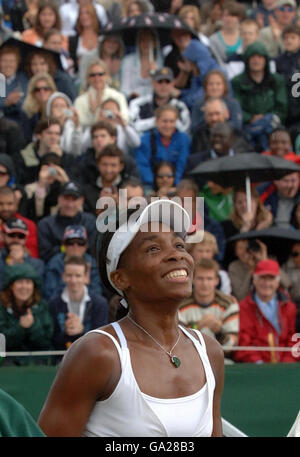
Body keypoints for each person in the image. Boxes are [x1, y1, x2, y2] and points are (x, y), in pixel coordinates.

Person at [38, 198, 224, 437]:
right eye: (153, 249)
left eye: (179, 245)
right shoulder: (97, 353)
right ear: (120, 279)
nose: (177, 256)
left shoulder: (210, 352)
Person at [235, 259, 297, 363]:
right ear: (254, 280)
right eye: (262, 278)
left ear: (278, 282)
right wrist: (260, 364)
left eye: (271, 279)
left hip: (286, 367)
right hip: (256, 368)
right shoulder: (243, 307)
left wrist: (287, 364)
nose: (267, 283)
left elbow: (295, 338)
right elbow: (244, 343)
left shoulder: (290, 307)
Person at [232, 41, 288, 151]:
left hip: (273, 126)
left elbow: (282, 108)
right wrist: (251, 118)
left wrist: (265, 119)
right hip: (247, 126)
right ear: (247, 60)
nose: (256, 60)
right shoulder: (237, 82)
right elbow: (236, 108)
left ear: (265, 60)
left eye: (260, 57)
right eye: (252, 57)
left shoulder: (277, 81)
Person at [179, 258, 238, 357]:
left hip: (220, 359)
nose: (205, 284)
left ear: (216, 281)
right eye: (200, 278)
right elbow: (178, 344)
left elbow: (230, 347)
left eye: (209, 279)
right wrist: (196, 329)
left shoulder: (229, 304)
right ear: (192, 279)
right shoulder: (180, 304)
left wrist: (219, 332)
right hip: (190, 359)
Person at [49, 256, 109, 351]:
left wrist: (82, 331)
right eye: (69, 275)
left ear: (86, 277)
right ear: (63, 276)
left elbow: (102, 340)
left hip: (91, 357)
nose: (73, 280)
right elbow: (52, 341)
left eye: (78, 276)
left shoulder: (100, 304)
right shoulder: (54, 303)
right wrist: (65, 332)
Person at [0, 263, 53, 365]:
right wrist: (20, 327)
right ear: (11, 286)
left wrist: (32, 326)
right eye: (20, 282)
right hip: (7, 365)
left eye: (28, 282)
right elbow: (2, 342)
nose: (24, 286)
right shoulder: (2, 308)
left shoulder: (42, 306)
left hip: (37, 364)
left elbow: (45, 341)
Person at [37, 181, 96, 262]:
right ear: (59, 199)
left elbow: (93, 253)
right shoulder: (45, 225)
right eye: (66, 199)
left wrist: (63, 248)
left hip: (86, 267)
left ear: (82, 200)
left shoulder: (90, 222)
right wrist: (70, 248)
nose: (70, 204)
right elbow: (45, 256)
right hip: (55, 268)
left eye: (74, 199)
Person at [134, 104, 190, 189]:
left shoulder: (183, 139)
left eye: (172, 121)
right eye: (164, 121)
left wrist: (175, 185)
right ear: (156, 121)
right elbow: (143, 165)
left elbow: (182, 164)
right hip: (152, 184)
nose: (168, 125)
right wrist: (155, 186)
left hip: (176, 184)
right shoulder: (145, 140)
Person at [44, 225, 103, 301]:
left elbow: (97, 296)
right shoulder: (54, 264)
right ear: (64, 245)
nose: (75, 246)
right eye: (70, 242)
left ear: (86, 245)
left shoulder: (92, 264)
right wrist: (74, 284)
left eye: (80, 242)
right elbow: (49, 296)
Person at [176, 179, 226, 264]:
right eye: (180, 200)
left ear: (196, 202)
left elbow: (219, 256)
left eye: (188, 200)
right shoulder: (167, 227)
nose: (183, 205)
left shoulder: (212, 226)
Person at [129, 67, 191, 135]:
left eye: (167, 82)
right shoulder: (137, 104)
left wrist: (166, 121)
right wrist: (155, 121)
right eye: (160, 82)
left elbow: (185, 131)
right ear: (153, 83)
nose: (163, 86)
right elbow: (132, 129)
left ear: (173, 84)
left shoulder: (180, 107)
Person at [74, 58, 129, 130]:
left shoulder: (118, 96)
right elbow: (79, 123)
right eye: (92, 75)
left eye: (100, 74)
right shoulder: (80, 101)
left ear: (107, 76)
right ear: (88, 78)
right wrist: (94, 113)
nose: (97, 78)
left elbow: (125, 119)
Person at [17, 118, 73, 186]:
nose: (53, 137)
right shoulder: (23, 157)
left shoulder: (68, 159)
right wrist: (50, 158)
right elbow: (23, 182)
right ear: (39, 135)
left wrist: (58, 160)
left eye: (57, 134)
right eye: (49, 133)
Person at [0, 217, 44, 290]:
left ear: (26, 239)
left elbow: (36, 292)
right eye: (12, 235)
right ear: (3, 236)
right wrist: (10, 267)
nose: (16, 239)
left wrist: (19, 265)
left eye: (21, 236)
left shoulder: (37, 265)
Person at [120, 28, 163, 101]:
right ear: (138, 43)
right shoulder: (128, 60)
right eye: (142, 40)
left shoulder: (160, 62)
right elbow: (124, 87)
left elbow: (162, 88)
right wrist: (132, 95)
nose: (146, 44)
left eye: (149, 41)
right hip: (132, 100)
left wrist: (156, 75)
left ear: (155, 43)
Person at [0, 186, 39, 258]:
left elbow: (33, 256)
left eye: (10, 204)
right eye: (1, 204)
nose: (5, 208)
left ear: (16, 205)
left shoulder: (28, 225)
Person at [275, 25, 300, 128]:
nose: (289, 41)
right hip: (286, 105)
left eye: (293, 37)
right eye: (286, 38)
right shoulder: (278, 61)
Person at [21, 72, 56, 143]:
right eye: (37, 89)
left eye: (46, 89)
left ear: (52, 90)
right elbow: (27, 138)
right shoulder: (27, 113)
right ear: (32, 93)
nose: (42, 92)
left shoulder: (57, 109)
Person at [45, 92, 82, 157]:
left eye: (62, 106)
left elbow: (77, 150)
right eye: (56, 106)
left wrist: (77, 126)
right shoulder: (45, 125)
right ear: (50, 109)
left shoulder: (72, 126)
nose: (60, 109)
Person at [68, 2, 101, 75]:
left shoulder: (102, 38)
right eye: (81, 14)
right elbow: (72, 64)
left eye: (87, 13)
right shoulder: (74, 40)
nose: (84, 16)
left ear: (93, 15)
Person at [0, 44, 28, 125]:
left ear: (17, 63)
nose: (8, 64)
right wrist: (6, 102)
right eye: (4, 61)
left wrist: (16, 102)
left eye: (12, 61)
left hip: (20, 122)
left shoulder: (23, 78)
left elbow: (27, 102)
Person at [282, 241, 300, 331]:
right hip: (291, 307)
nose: (298, 257)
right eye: (295, 254)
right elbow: (287, 286)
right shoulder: (285, 268)